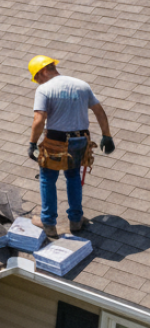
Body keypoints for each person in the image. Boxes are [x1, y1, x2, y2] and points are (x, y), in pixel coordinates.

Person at [26, 55, 115, 238]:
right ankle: (75, 220)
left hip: (55, 141)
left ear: (43, 71)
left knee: (47, 180)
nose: (38, 82)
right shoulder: (82, 85)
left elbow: (39, 119)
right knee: (73, 177)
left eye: (37, 78)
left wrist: (32, 143)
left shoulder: (45, 89)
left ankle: (48, 223)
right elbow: (99, 111)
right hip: (80, 140)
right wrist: (107, 135)